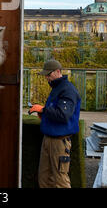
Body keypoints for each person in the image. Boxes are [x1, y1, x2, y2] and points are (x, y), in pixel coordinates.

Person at [29, 59, 81, 188]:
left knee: (60, 180)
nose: (47, 78)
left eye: (48, 74)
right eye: (46, 75)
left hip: (59, 142)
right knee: (45, 179)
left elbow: (63, 115)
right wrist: (44, 115)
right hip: (49, 139)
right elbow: (55, 112)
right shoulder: (57, 88)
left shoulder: (68, 90)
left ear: (58, 72)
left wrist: (43, 109)